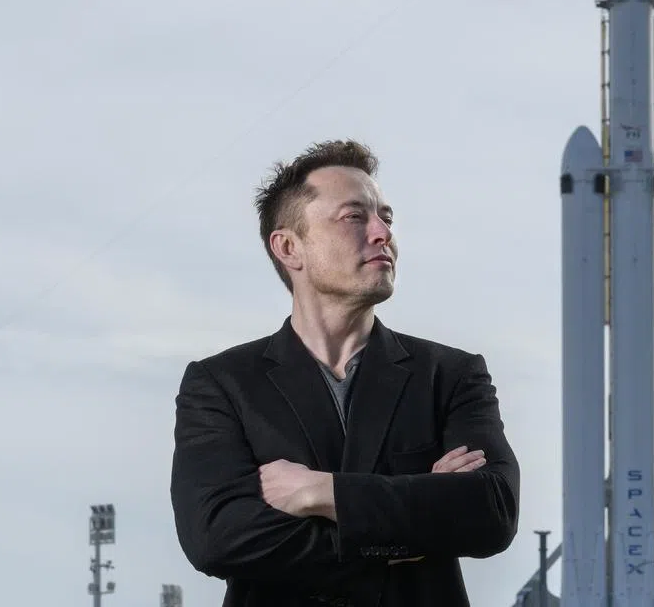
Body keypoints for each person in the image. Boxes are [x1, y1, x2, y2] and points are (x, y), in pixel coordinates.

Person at [169, 140, 520, 607]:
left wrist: (322, 491)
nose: (382, 233)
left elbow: (491, 511)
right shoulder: (222, 385)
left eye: (386, 217)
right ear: (289, 247)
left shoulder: (451, 375)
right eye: (355, 216)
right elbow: (217, 537)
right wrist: (411, 526)